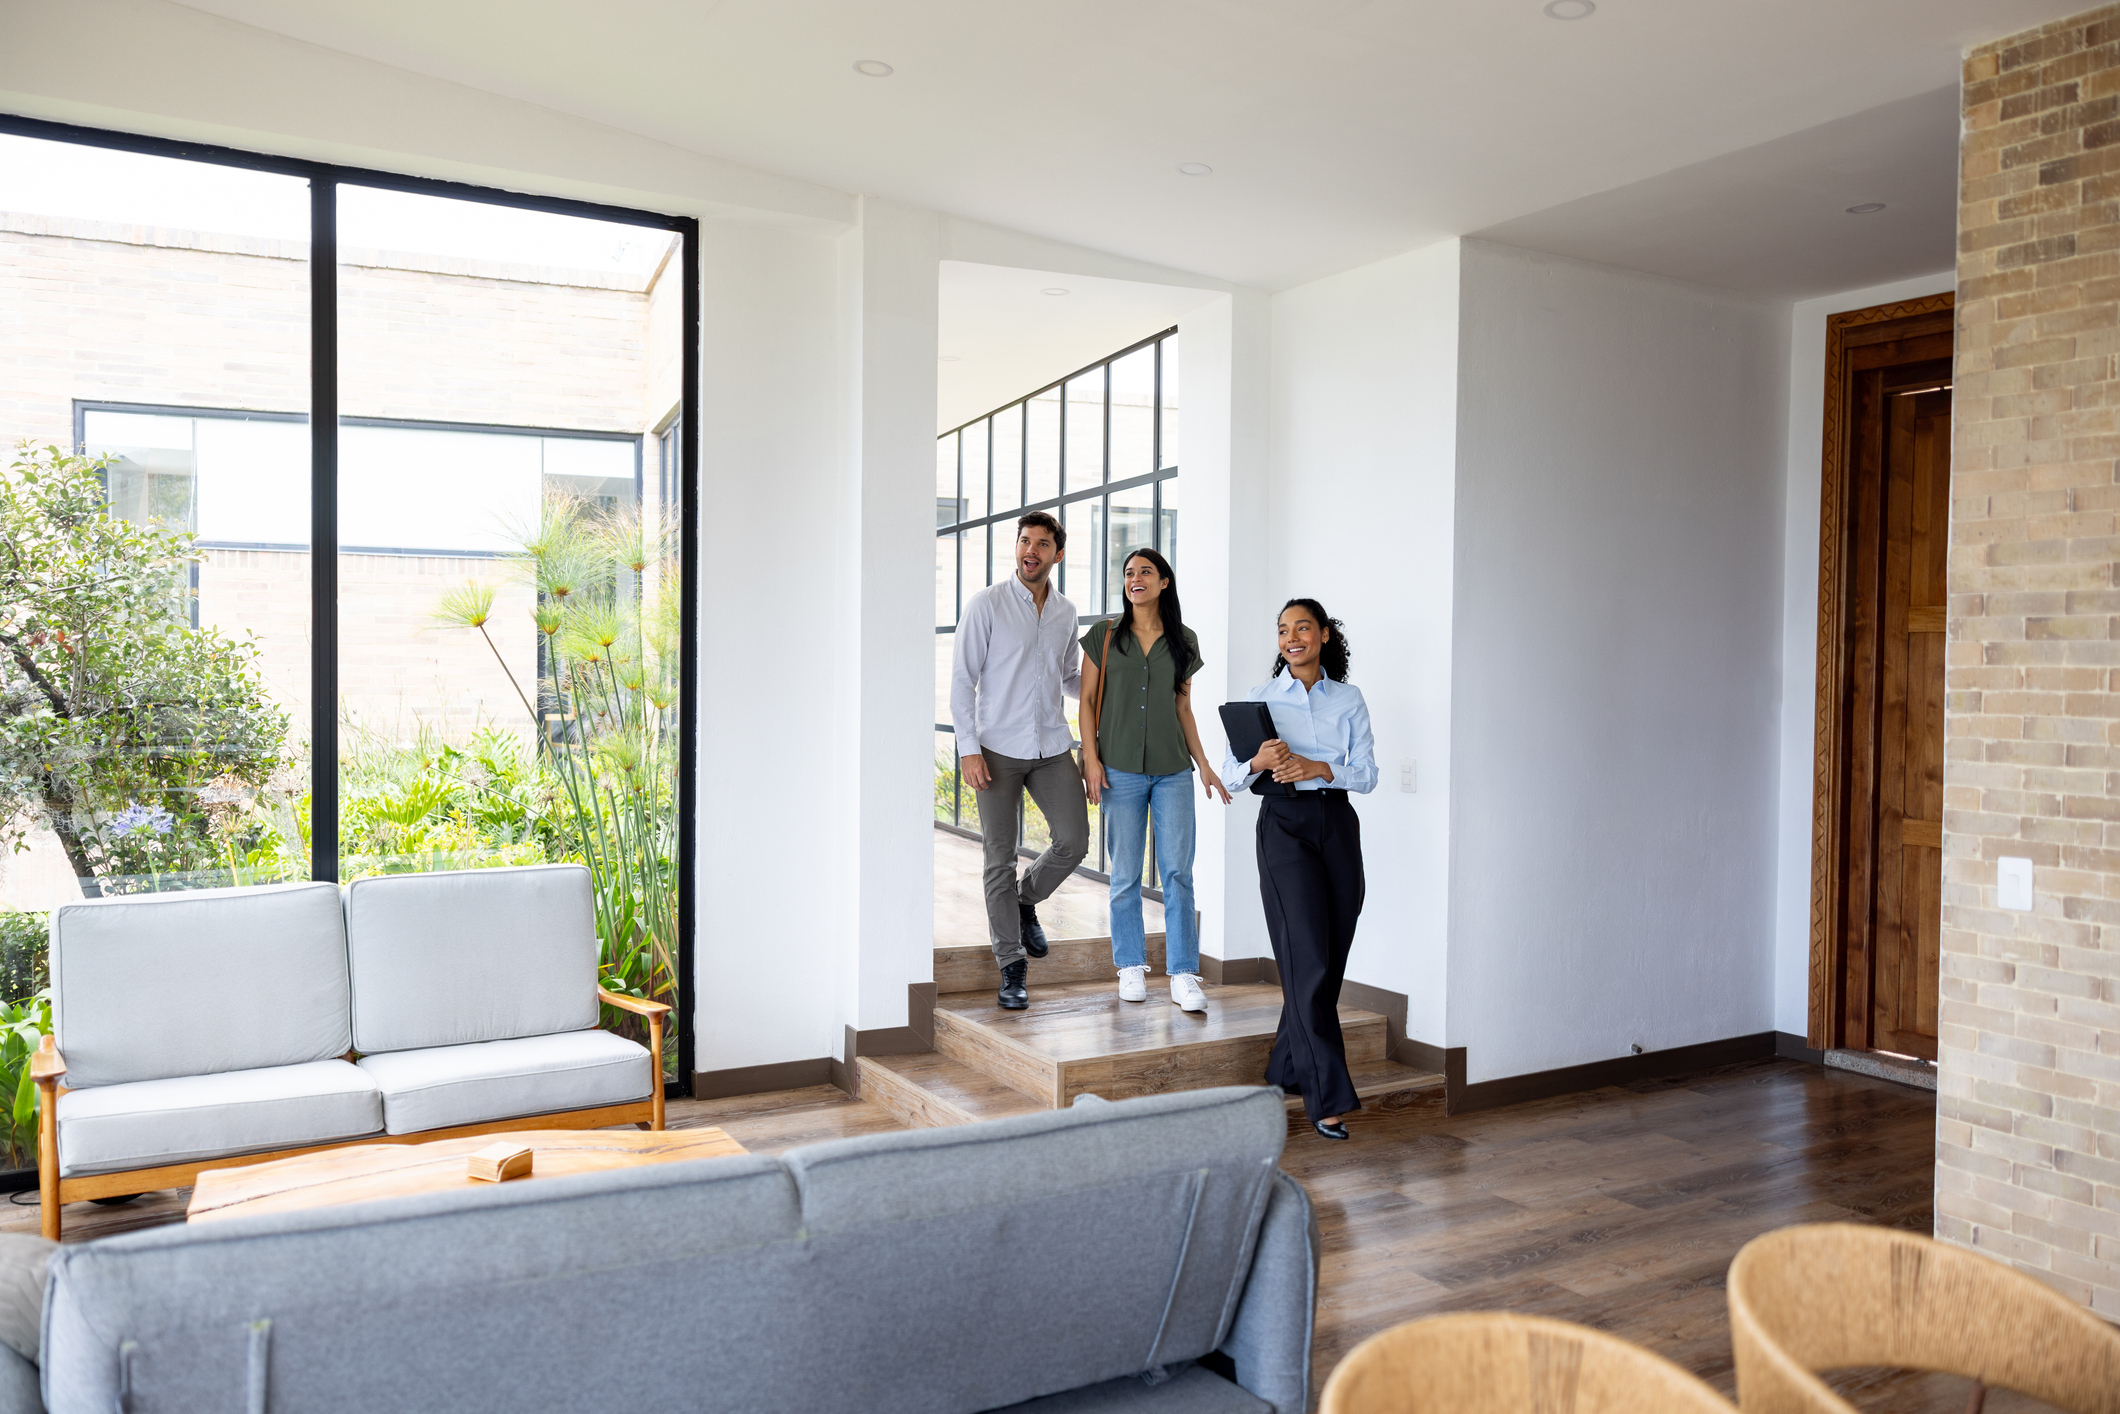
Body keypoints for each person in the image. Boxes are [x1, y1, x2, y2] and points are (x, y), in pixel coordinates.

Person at [1220, 598, 1376, 1141]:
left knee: (1329, 957)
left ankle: (1285, 1068)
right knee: (1306, 956)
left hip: (1336, 825)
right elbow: (1231, 775)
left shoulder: (1348, 699)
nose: (1292, 638)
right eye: (1283, 630)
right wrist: (1258, 763)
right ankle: (1326, 1096)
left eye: (1302, 628)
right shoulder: (1260, 700)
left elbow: (1367, 773)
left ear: (1324, 636)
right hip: (1283, 826)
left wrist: (1319, 767)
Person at [1079, 548, 1231, 1012]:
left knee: (1178, 873)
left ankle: (1184, 974)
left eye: (1146, 571)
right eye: (1129, 572)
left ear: (1164, 582)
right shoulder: (1104, 636)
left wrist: (1203, 762)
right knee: (1124, 874)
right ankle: (1130, 966)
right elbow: (1086, 701)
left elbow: (1183, 708)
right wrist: (1091, 759)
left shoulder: (1184, 640)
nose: (1135, 578)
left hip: (1172, 771)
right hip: (1119, 769)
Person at [949, 511, 1089, 1011]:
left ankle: (1026, 900)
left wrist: (1102, 675)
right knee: (998, 858)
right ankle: (1011, 964)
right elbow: (963, 680)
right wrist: (968, 747)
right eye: (1025, 541)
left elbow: (1069, 678)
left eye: (1043, 544)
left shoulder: (1066, 612)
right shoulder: (986, 604)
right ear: (1017, 548)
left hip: (1051, 745)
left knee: (1074, 840)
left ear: (1058, 554)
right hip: (995, 750)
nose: (1032, 550)